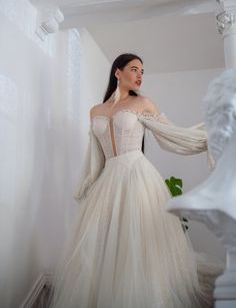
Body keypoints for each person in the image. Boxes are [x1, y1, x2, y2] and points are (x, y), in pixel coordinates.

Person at [49, 53, 221, 308]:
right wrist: (88, 183)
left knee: (139, 241)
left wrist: (208, 138)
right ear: (117, 72)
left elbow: (171, 135)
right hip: (108, 180)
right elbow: (95, 154)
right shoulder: (95, 111)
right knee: (102, 244)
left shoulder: (144, 103)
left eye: (142, 71)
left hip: (138, 176)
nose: (140, 75)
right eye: (134, 69)